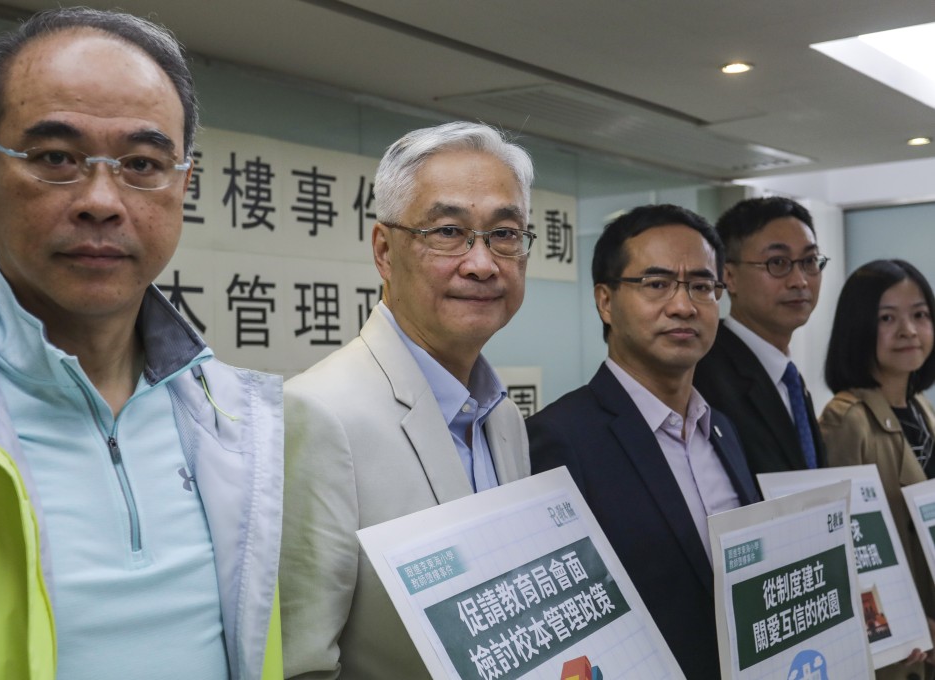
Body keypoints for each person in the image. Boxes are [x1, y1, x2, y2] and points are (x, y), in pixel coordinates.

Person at [0, 8, 283, 679]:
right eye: (56, 157)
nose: (102, 200)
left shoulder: (234, 416)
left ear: (182, 188)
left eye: (143, 163)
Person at [280, 121, 534, 679]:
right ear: (384, 251)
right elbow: (301, 666)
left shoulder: (504, 417)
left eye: (505, 233)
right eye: (448, 231)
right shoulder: (319, 414)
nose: (482, 263)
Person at [528, 204, 759, 680]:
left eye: (701, 286)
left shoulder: (723, 429)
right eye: (656, 284)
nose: (683, 305)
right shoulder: (561, 438)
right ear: (605, 301)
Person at [821, 259, 935, 680]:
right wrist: (902, 626)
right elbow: (842, 548)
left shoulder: (921, 407)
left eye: (920, 315)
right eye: (887, 318)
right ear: (858, 328)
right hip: (894, 646)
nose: (908, 330)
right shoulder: (846, 418)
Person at [694, 196, 829, 475]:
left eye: (809, 261)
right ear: (727, 276)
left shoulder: (788, 377)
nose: (800, 280)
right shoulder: (704, 370)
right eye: (777, 262)